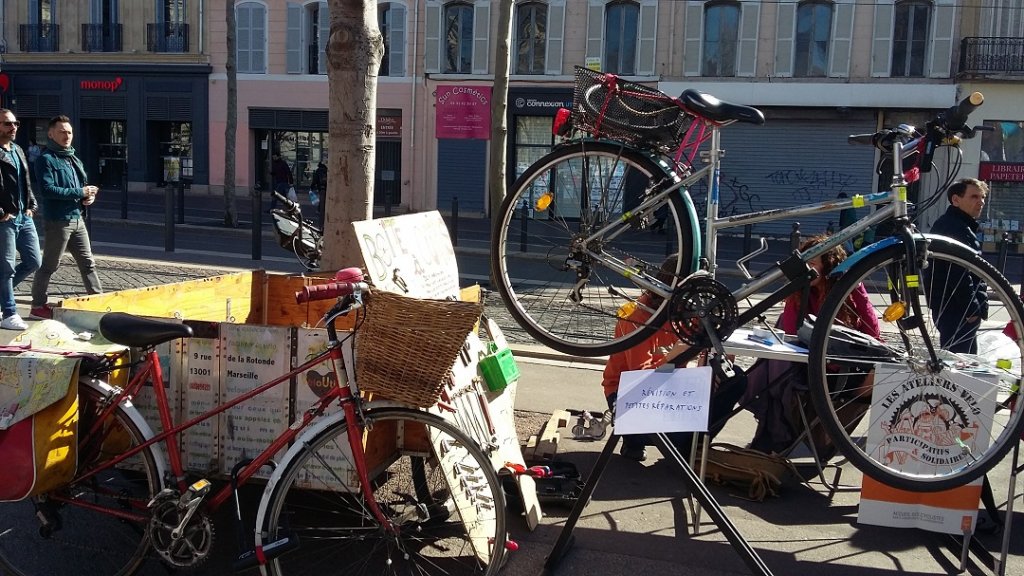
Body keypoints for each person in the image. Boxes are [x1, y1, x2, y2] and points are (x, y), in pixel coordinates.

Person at [745, 235, 880, 455]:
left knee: (777, 372)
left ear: (829, 265)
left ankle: (776, 439)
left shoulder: (850, 288)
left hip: (841, 365)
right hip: (806, 362)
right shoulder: (801, 290)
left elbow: (872, 333)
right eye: (805, 263)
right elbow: (789, 334)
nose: (808, 268)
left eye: (814, 263)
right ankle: (774, 438)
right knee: (776, 367)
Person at [601, 256, 745, 461]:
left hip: (674, 387)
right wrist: (673, 357)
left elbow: (703, 358)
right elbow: (640, 380)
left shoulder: (690, 312)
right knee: (677, 433)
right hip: (629, 394)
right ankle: (639, 439)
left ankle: (691, 446)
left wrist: (714, 367)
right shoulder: (636, 315)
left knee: (735, 379)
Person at [30, 115, 103, 319]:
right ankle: (37, 306)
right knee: (50, 265)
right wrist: (80, 192)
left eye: (69, 132)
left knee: (88, 263)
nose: (66, 136)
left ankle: (98, 300)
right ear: (51, 134)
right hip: (58, 221)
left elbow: (82, 187)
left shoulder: (73, 157)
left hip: (77, 218)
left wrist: (89, 197)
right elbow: (47, 189)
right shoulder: (46, 159)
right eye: (62, 132)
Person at [927, 178, 988, 354]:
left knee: (959, 364)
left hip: (955, 308)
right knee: (959, 367)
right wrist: (972, 309)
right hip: (957, 309)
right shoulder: (955, 227)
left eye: (983, 197)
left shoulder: (959, 225)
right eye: (974, 196)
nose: (981, 202)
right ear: (956, 200)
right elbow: (957, 272)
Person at [0, 109, 41, 330]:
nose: (13, 127)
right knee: (5, 267)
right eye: (7, 123)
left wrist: (32, 205)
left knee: (34, 261)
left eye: (15, 123)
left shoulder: (17, 149)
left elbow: (25, 180)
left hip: (23, 216)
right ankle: (9, 312)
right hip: (4, 218)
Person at [310, 157, 327, 227]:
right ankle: (321, 209)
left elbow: (315, 180)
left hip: (321, 187)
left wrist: (312, 187)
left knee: (322, 198)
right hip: (326, 187)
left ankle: (320, 209)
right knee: (324, 199)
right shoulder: (326, 170)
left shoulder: (318, 171)